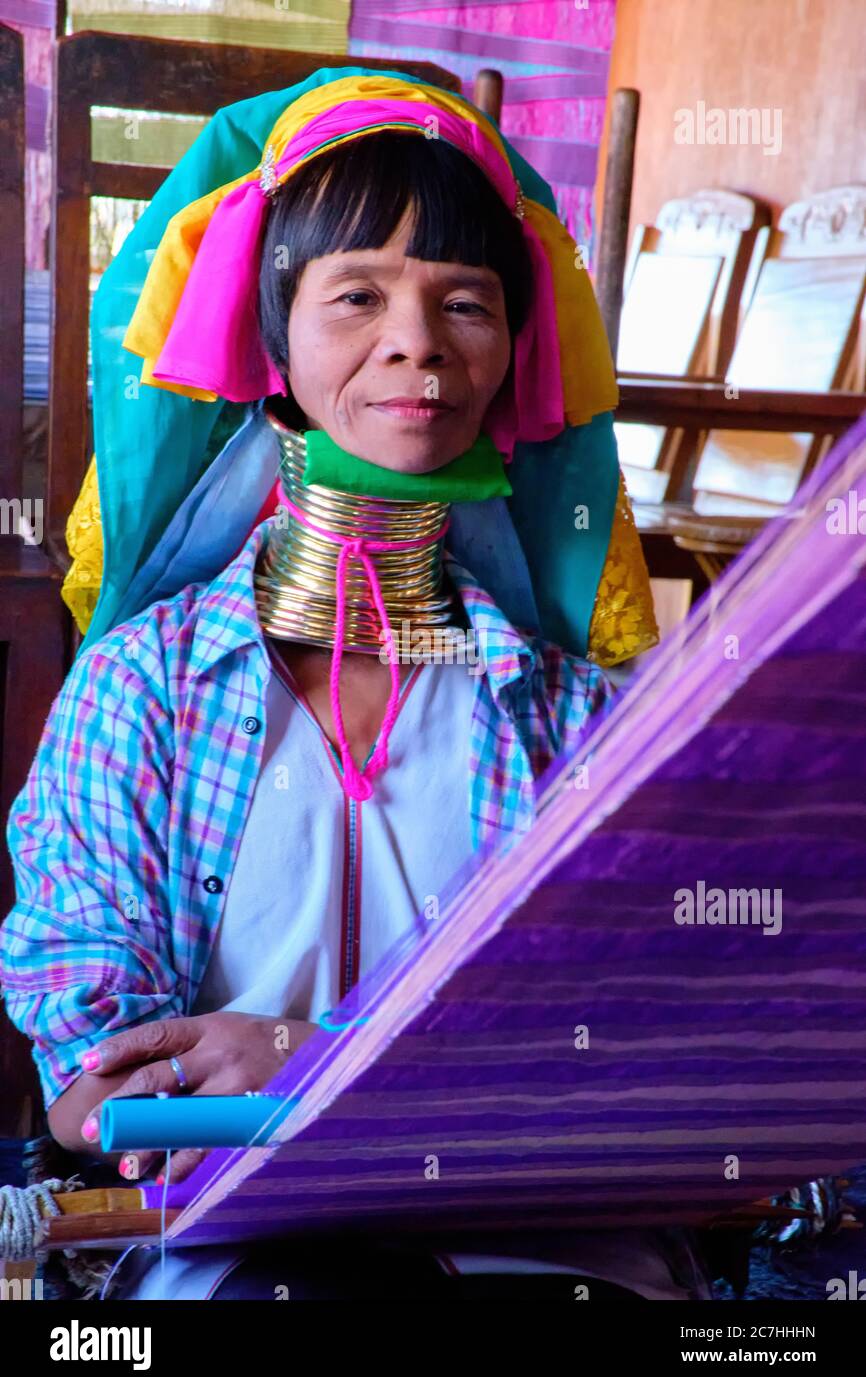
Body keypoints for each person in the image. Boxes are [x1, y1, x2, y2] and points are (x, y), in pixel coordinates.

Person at [0, 68, 705, 1300]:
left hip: (531, 1244)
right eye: (358, 295)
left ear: (510, 356)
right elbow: (96, 1096)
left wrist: (304, 1056)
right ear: (269, 338)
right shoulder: (142, 694)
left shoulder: (564, 716)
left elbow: (632, 1056)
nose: (417, 344)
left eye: (465, 303)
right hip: (226, 1250)